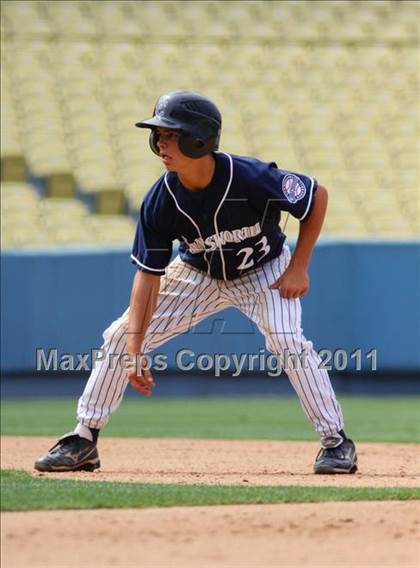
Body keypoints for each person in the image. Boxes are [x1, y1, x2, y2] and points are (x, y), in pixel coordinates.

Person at [35, 90, 358, 475]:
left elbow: (315, 196)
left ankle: (336, 442)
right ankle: (84, 438)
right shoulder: (161, 199)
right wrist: (137, 346)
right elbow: (148, 275)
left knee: (286, 339)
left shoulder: (250, 177)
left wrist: (299, 266)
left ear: (199, 139)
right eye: (158, 135)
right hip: (197, 274)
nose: (161, 143)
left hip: (265, 269)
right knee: (122, 335)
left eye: (171, 134)